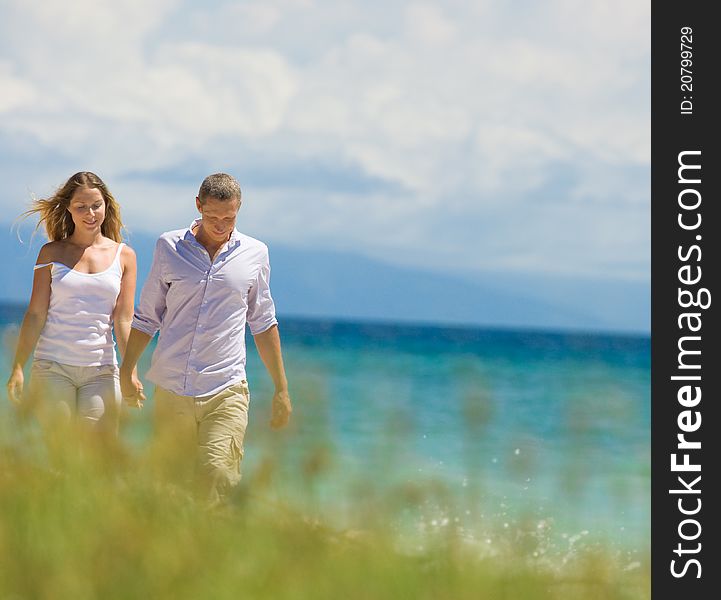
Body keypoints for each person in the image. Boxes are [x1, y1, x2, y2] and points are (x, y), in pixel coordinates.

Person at [119, 172, 291, 502]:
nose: (221, 225)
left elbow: (264, 323)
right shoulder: (169, 246)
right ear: (198, 206)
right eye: (212, 217)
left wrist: (281, 390)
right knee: (171, 489)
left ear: (239, 209)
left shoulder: (255, 253)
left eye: (229, 217)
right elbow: (147, 316)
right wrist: (127, 370)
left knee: (219, 480)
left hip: (226, 389)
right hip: (172, 389)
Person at [6, 171, 137, 441]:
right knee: (61, 456)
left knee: (98, 457)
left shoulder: (124, 256)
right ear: (68, 208)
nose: (90, 213)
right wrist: (18, 365)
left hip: (102, 370)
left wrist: (130, 369)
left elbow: (123, 320)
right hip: (53, 367)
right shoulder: (51, 253)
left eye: (96, 205)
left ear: (106, 205)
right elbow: (35, 314)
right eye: (81, 207)